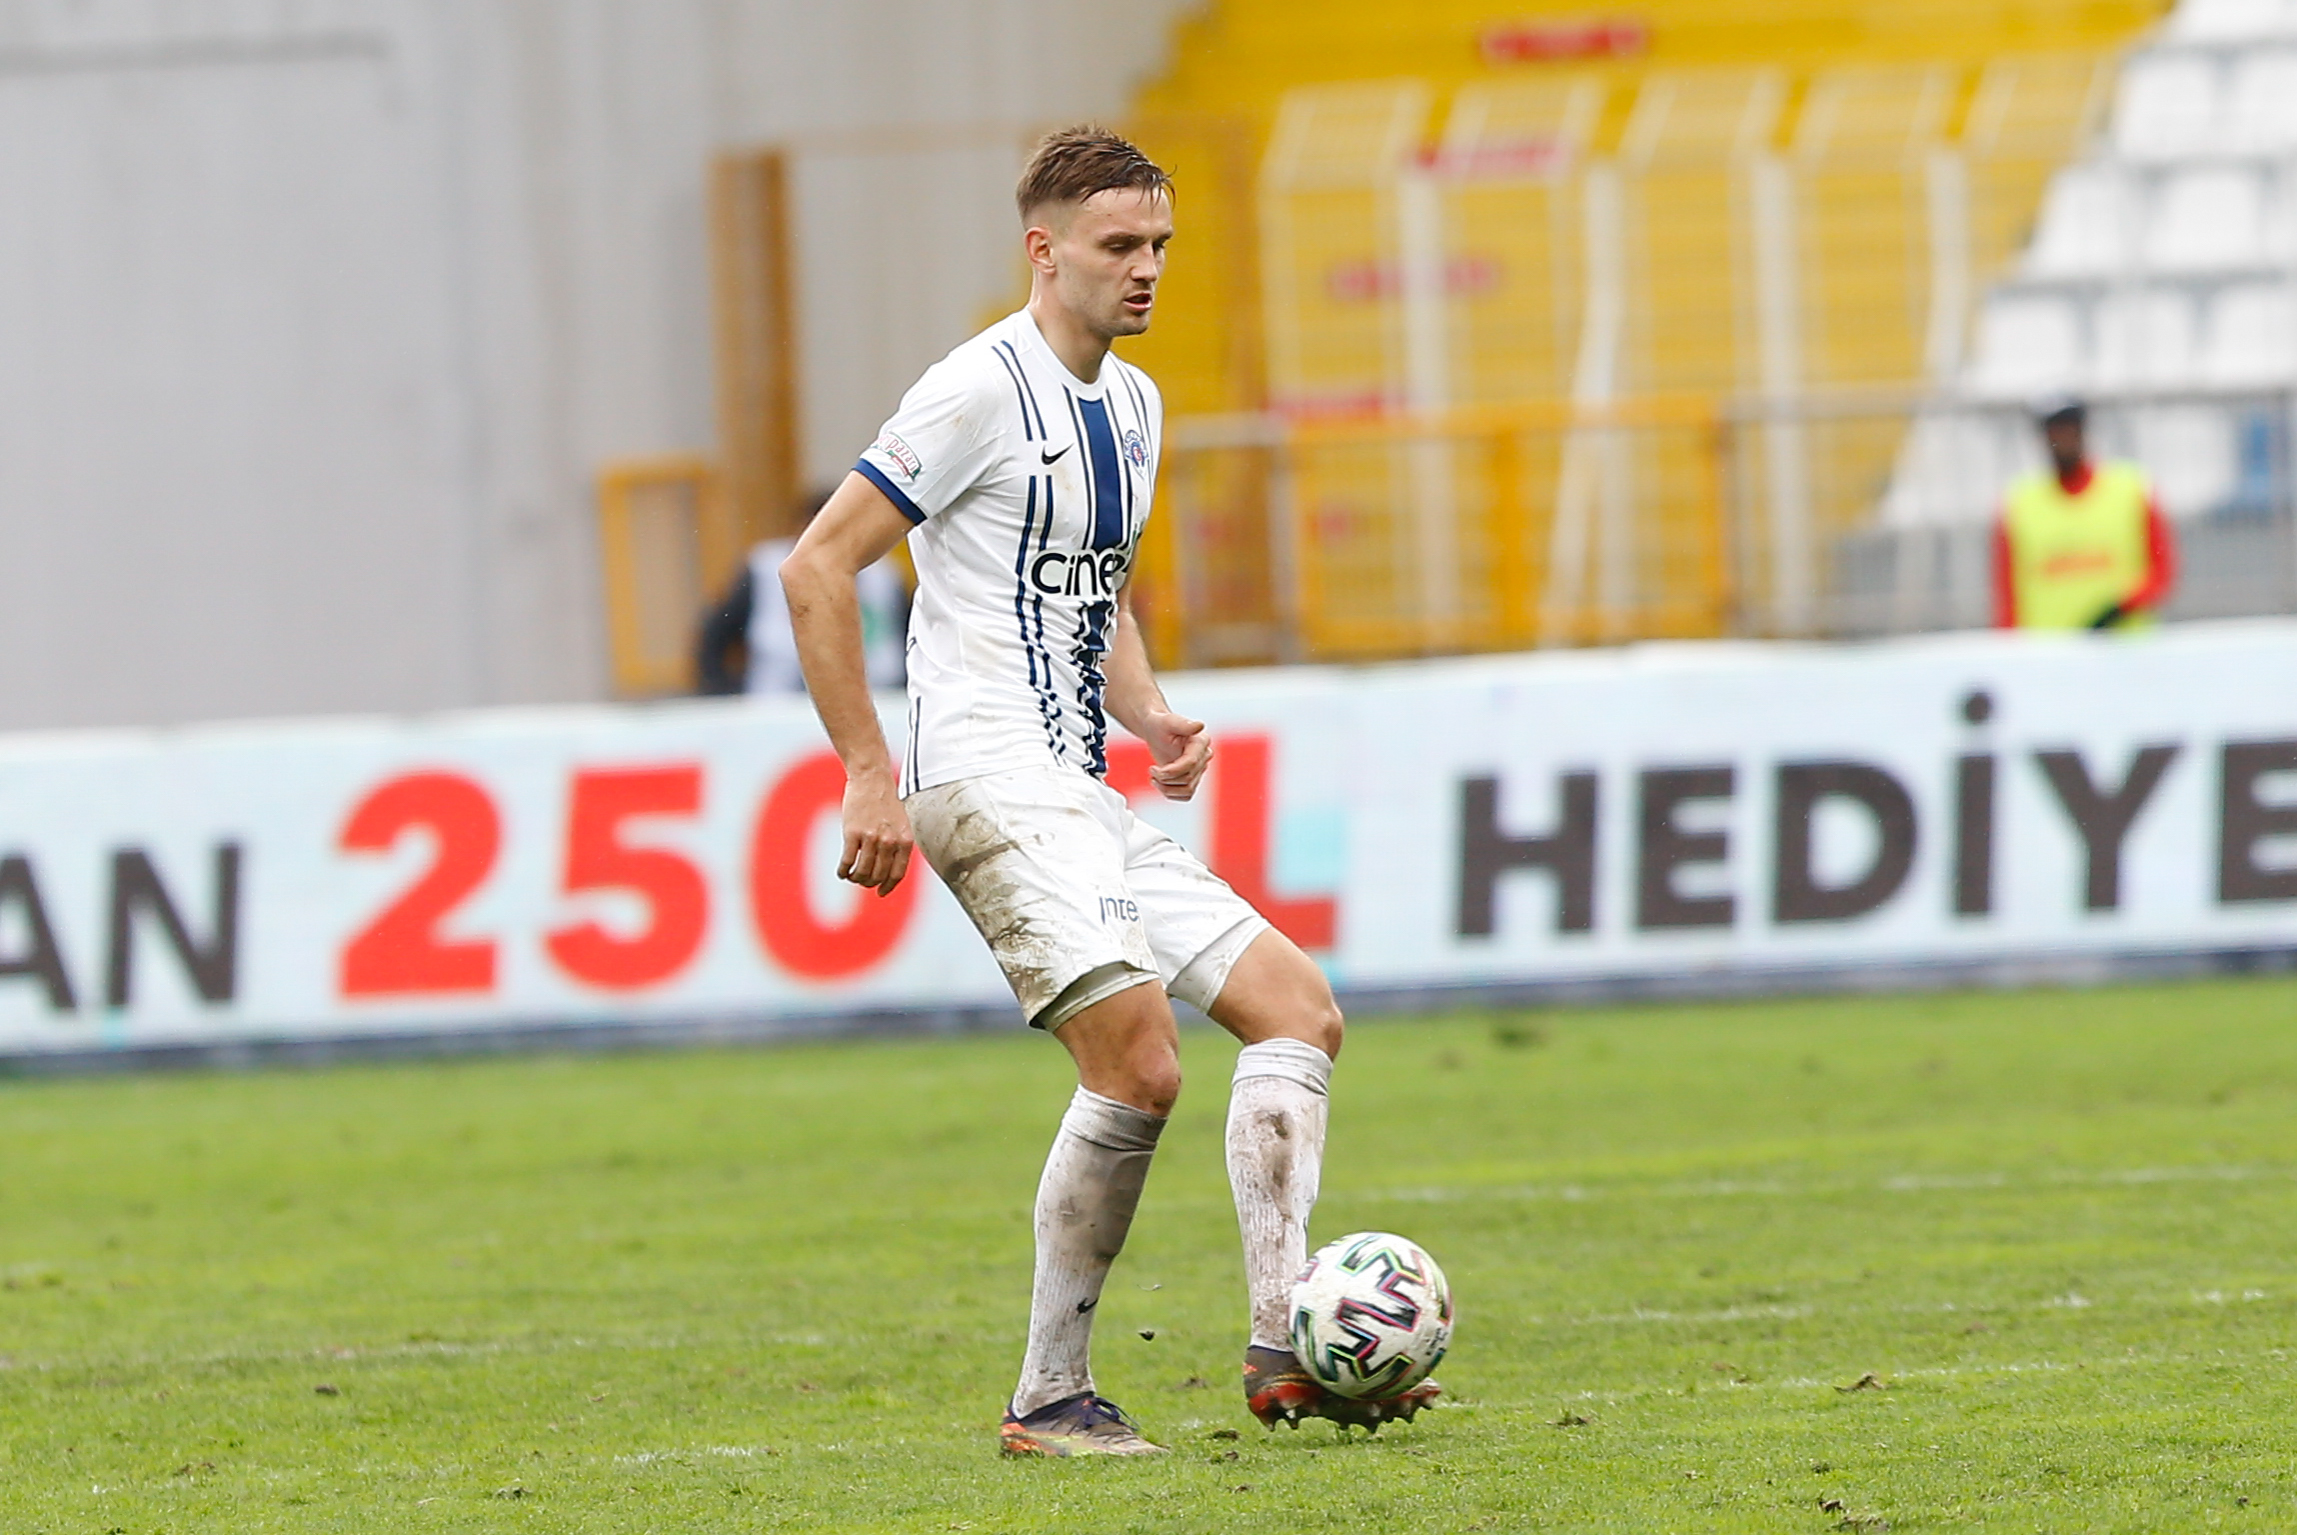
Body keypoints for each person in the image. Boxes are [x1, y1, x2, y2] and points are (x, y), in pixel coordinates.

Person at [777, 126, 1437, 1457]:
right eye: (1117, 245)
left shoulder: (1134, 404)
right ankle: (1049, 1394)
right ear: (1044, 249)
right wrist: (865, 772)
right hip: (984, 774)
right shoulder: (973, 389)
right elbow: (817, 565)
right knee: (1138, 1061)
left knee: (1296, 1007)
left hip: (1077, 785)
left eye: (1159, 246)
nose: (1145, 269)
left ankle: (1284, 1339)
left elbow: (1100, 590)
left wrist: (1150, 715)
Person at [695, 489, 908, 696]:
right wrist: (723, 693)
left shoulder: (885, 575)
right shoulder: (763, 569)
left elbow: (909, 638)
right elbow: (715, 635)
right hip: (776, 703)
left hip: (880, 700)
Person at [1993, 397, 2176, 630]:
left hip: (2123, 647)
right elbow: (2006, 595)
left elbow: (2161, 572)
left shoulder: (2131, 490)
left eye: (2069, 429)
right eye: (2054, 431)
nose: (2062, 438)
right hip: (2051, 648)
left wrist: (2120, 608)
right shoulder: (2019, 503)